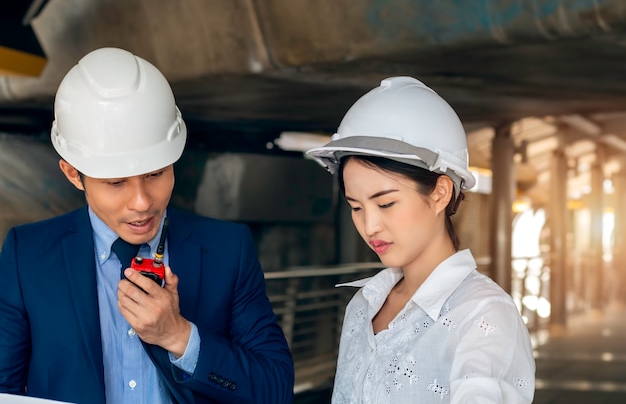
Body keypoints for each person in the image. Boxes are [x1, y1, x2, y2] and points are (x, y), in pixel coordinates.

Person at [0, 47, 294, 404]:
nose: (142, 202)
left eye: (155, 173)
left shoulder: (227, 249)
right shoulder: (27, 254)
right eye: (115, 182)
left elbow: (275, 389)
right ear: (73, 174)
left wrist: (180, 337)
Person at [307, 76, 535, 403]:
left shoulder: (482, 314)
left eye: (386, 203)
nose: (369, 225)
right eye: (355, 207)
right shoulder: (362, 306)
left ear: (441, 192)